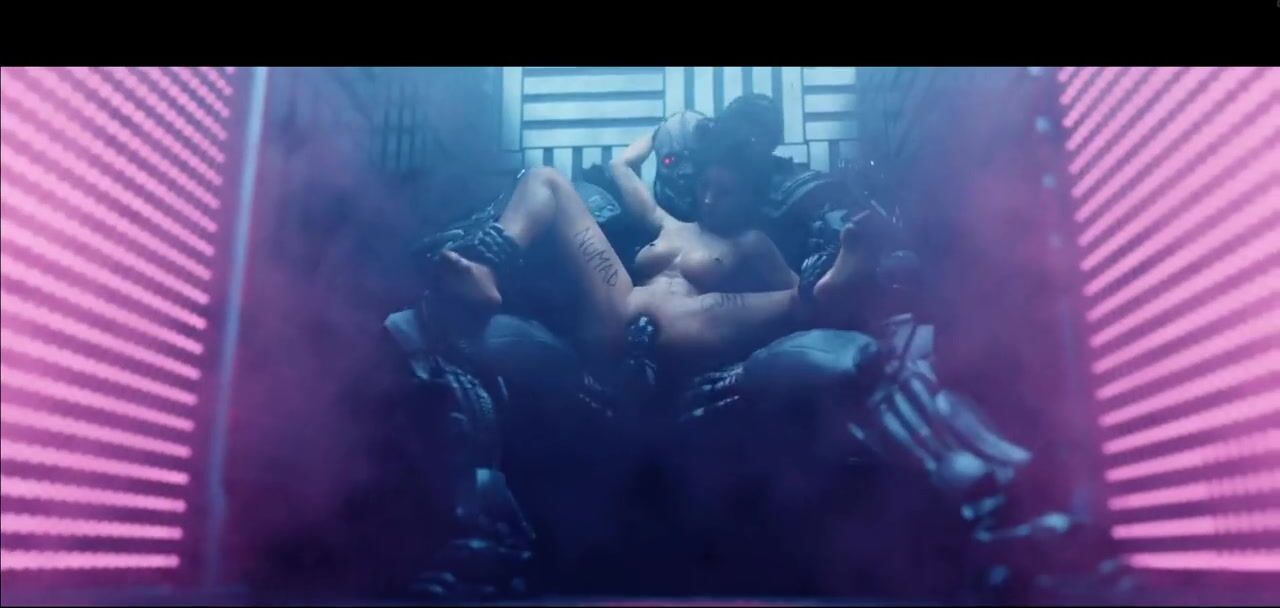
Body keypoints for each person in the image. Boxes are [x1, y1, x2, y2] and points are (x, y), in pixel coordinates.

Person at [427, 113, 864, 374]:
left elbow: (786, 291)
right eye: (705, 186)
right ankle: (487, 270)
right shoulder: (665, 221)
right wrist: (667, 128)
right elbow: (621, 165)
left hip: (682, 327)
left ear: (747, 196)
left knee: (796, 298)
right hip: (614, 310)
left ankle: (828, 291)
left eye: (724, 192)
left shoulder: (752, 242)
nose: (709, 199)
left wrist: (804, 294)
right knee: (546, 179)